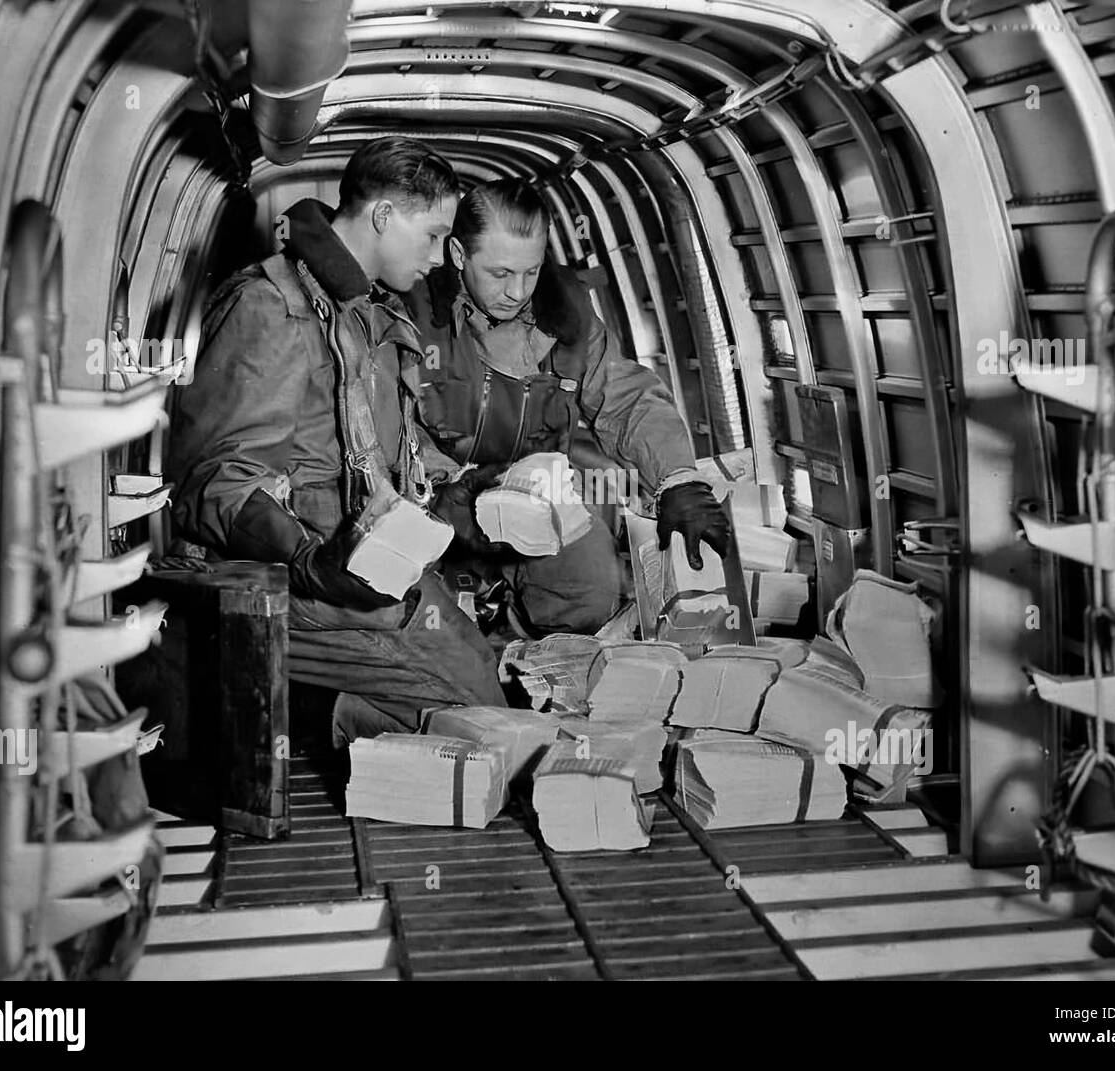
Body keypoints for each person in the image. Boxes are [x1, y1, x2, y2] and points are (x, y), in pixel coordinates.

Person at [167, 136, 505, 746]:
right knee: (482, 724)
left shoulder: (361, 310)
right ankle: (314, 714)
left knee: (486, 684)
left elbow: (384, 445)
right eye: (432, 235)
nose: (440, 257)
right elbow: (215, 482)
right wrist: (308, 563)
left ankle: (327, 714)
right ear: (382, 216)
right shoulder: (272, 308)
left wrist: (466, 479)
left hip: (368, 564)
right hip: (303, 579)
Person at [407, 178, 732, 635]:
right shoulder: (413, 314)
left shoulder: (571, 319)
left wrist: (679, 479)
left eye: (531, 272)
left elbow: (627, 397)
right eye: (500, 273)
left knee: (594, 589)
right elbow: (391, 425)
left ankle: (535, 673)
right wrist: (444, 487)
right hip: (438, 506)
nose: (517, 291)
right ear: (459, 256)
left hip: (536, 505)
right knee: (425, 628)